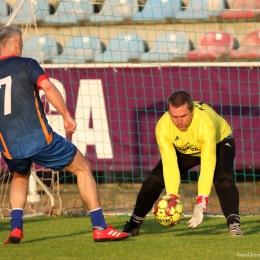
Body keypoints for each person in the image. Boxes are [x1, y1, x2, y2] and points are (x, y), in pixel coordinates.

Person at [0, 25, 129, 244]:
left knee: (20, 176)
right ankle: (100, 227)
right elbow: (48, 88)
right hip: (39, 138)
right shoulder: (27, 64)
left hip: (9, 144)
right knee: (82, 167)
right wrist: (67, 116)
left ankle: (15, 229)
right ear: (17, 43)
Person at [123, 90, 243, 237]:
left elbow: (207, 164)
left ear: (192, 111)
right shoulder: (163, 126)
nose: (179, 121)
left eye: (183, 116)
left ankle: (234, 225)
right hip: (186, 148)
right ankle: (133, 224)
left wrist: (201, 202)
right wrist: (172, 196)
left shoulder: (205, 124)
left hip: (219, 141)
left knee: (223, 178)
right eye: (174, 116)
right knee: (153, 180)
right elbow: (169, 163)